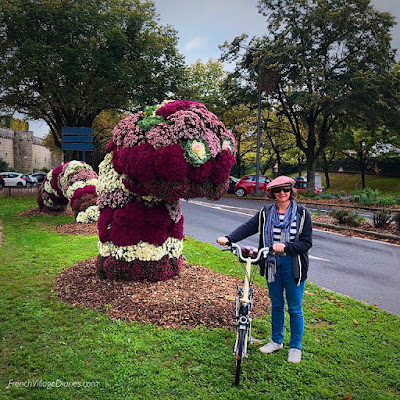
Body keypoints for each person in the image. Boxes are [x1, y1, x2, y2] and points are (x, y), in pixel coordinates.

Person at [217, 175, 312, 364]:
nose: (282, 193)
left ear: (291, 191)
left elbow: (306, 243)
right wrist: (229, 238)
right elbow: (249, 227)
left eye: (285, 190)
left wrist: (286, 247)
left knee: (294, 307)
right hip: (271, 264)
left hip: (293, 265)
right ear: (273, 193)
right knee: (276, 304)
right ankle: (277, 341)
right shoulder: (266, 212)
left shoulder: (302, 213)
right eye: (278, 190)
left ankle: (295, 347)